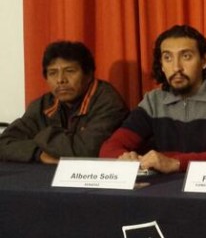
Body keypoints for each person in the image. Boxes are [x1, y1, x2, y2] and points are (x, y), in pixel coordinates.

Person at [99, 25, 206, 173]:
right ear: (161, 64)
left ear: (205, 61)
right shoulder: (153, 101)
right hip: (162, 192)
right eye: (167, 58)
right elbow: (109, 148)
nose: (176, 67)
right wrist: (126, 159)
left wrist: (176, 163)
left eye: (186, 56)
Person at [0, 41, 128, 163]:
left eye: (70, 71)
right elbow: (3, 143)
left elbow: (87, 151)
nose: (60, 80)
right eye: (53, 73)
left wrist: (43, 135)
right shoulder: (43, 104)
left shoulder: (108, 102)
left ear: (88, 75)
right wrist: (38, 153)